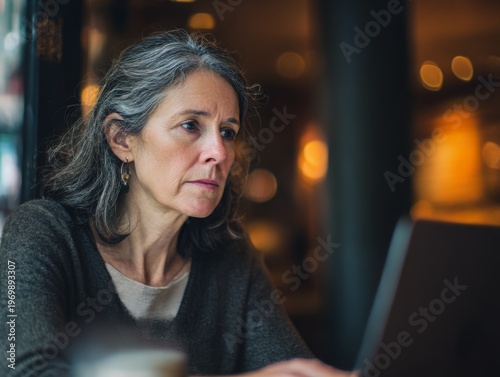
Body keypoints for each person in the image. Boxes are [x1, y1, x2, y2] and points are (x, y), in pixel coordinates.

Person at [0, 30, 353, 377]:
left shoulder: (230, 256)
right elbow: (26, 371)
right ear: (122, 139)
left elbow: (290, 368)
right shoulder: (41, 233)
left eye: (227, 132)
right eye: (190, 125)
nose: (219, 152)